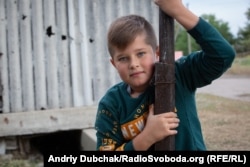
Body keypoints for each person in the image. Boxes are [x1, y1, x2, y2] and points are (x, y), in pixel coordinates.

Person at [94, 0, 235, 151]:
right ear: (114, 64)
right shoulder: (111, 105)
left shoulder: (179, 74)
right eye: (123, 58)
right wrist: (145, 138)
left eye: (141, 53)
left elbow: (223, 56)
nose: (133, 64)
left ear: (157, 53)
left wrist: (178, 11)